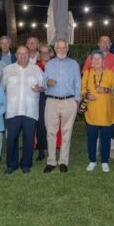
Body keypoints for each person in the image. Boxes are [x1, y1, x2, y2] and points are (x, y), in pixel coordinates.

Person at [3, 46, 44, 174]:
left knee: (28, 138)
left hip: (30, 110)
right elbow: (0, 88)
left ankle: (26, 164)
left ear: (29, 54)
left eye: (25, 53)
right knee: (11, 139)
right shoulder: (8, 69)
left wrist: (40, 89)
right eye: (20, 53)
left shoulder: (36, 69)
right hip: (12, 109)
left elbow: (43, 86)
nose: (22, 56)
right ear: (16, 55)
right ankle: (11, 164)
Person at [42, 39, 81, 173]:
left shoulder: (74, 64)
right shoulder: (49, 64)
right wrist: (48, 83)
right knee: (51, 132)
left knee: (67, 132)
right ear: (55, 49)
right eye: (59, 48)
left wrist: (76, 101)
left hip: (69, 101)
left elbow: (78, 83)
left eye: (64, 48)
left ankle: (63, 161)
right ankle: (51, 161)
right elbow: (44, 81)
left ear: (67, 49)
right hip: (52, 100)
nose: (62, 50)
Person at [80, 51, 114, 172]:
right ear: (91, 62)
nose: (96, 61)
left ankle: (105, 162)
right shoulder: (87, 73)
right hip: (92, 112)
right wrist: (87, 95)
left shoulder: (110, 73)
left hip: (106, 112)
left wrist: (106, 90)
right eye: (94, 59)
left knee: (106, 138)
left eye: (98, 59)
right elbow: (82, 90)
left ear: (103, 61)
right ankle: (92, 161)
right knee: (91, 137)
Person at [35, 44, 52, 161]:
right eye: (42, 52)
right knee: (40, 123)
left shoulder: (56, 65)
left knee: (53, 123)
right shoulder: (35, 67)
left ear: (50, 53)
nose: (45, 54)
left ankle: (52, 148)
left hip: (53, 96)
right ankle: (41, 149)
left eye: (47, 52)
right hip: (40, 97)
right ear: (39, 54)